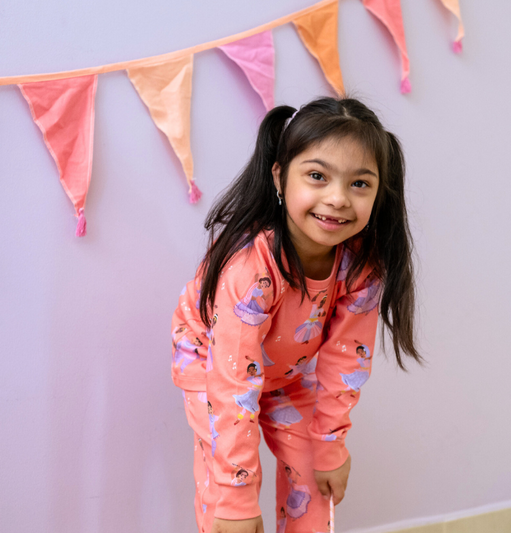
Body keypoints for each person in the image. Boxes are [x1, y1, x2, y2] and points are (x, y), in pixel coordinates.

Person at [171, 96, 421, 533]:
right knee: (230, 506)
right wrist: (236, 496)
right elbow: (232, 384)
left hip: (285, 371)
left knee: (314, 476)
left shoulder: (362, 266)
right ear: (280, 177)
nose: (338, 198)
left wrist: (330, 445)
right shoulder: (250, 268)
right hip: (214, 368)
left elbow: (346, 358)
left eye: (359, 184)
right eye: (317, 176)